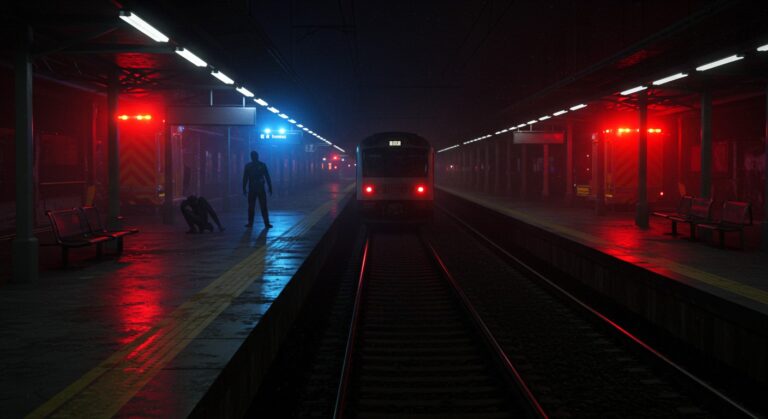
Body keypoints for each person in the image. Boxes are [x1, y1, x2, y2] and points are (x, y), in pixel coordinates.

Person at [242, 151, 273, 228]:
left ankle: (250, 223)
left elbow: (245, 178)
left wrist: (244, 188)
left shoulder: (248, 166)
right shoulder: (262, 165)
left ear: (251, 157)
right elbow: (267, 177)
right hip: (260, 188)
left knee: (251, 206)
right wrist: (270, 187)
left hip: (252, 188)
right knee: (263, 206)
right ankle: (266, 223)